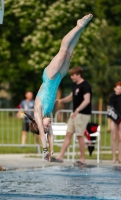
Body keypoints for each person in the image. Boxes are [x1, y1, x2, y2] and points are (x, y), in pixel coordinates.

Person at [26, 14, 93, 161]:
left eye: (45, 126)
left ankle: (78, 25)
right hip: (58, 79)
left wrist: (44, 150)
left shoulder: (38, 112)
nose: (49, 124)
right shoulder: (47, 114)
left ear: (38, 125)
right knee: (69, 54)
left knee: (63, 51)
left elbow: (44, 135)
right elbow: (51, 135)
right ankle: (81, 28)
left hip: (49, 77)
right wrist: (51, 151)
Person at [51, 66, 92, 165]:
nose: (71, 77)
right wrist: (61, 100)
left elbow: (87, 100)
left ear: (79, 75)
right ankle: (60, 156)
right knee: (68, 134)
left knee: (79, 136)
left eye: (73, 75)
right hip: (74, 114)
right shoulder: (75, 85)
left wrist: (78, 110)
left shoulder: (85, 85)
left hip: (82, 114)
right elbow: (71, 97)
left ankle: (82, 159)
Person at [108, 82, 121, 163]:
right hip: (114, 117)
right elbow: (110, 108)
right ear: (115, 89)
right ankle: (114, 157)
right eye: (118, 89)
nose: (119, 90)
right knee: (114, 137)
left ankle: (120, 157)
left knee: (120, 138)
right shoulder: (112, 97)